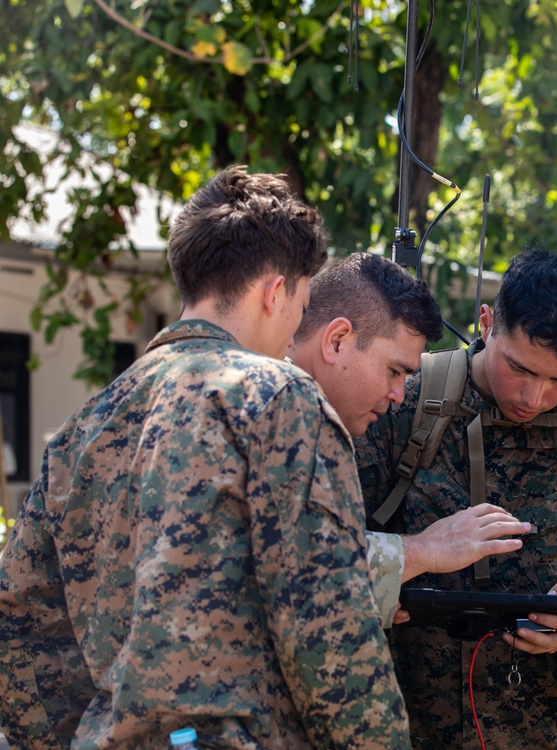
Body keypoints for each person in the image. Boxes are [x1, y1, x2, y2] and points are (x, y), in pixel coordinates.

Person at [0, 167, 410, 749]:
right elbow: (329, 631)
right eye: (301, 303)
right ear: (276, 292)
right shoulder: (280, 398)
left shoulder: (84, 427)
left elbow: (20, 625)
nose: (297, 324)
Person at [357, 246, 557, 749]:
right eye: (521, 369)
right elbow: (326, 551)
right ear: (487, 323)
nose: (534, 397)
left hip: (551, 732)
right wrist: (403, 565)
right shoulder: (398, 405)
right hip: (402, 727)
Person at [287, 251, 532, 626]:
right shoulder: (272, 413)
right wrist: (424, 549)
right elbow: (294, 568)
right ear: (337, 340)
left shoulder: (306, 417)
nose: (399, 394)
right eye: (394, 371)